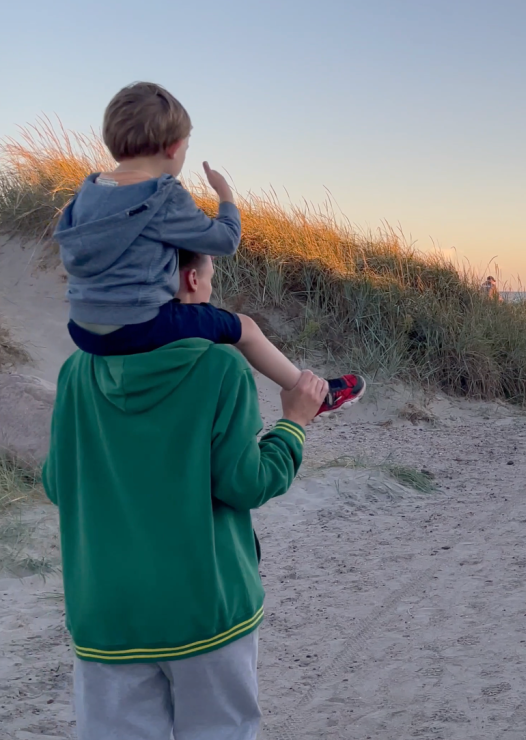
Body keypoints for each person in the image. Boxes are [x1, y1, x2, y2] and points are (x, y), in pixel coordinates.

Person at [43, 250, 330, 739]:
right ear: (192, 280)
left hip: (105, 615)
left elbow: (56, 483)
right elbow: (248, 483)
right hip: (207, 611)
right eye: (212, 279)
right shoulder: (219, 367)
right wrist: (294, 424)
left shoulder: (77, 372)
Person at [53, 81, 365, 418]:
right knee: (244, 327)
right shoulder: (162, 195)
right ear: (173, 148)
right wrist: (226, 197)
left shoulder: (88, 191)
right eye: (186, 148)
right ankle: (312, 393)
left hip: (81, 327)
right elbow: (226, 240)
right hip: (136, 327)